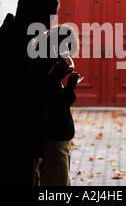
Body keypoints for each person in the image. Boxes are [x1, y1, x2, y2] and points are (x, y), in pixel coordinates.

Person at [0, 0, 73, 186]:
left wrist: (61, 85)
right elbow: (20, 97)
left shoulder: (17, 42)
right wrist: (53, 77)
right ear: (32, 12)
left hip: (22, 141)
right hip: (12, 142)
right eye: (48, 16)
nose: (48, 25)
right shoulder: (6, 45)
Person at [33, 24, 80, 186]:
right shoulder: (46, 70)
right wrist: (64, 85)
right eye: (65, 49)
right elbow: (52, 104)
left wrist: (67, 87)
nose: (66, 56)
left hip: (54, 137)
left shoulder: (45, 66)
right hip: (53, 138)